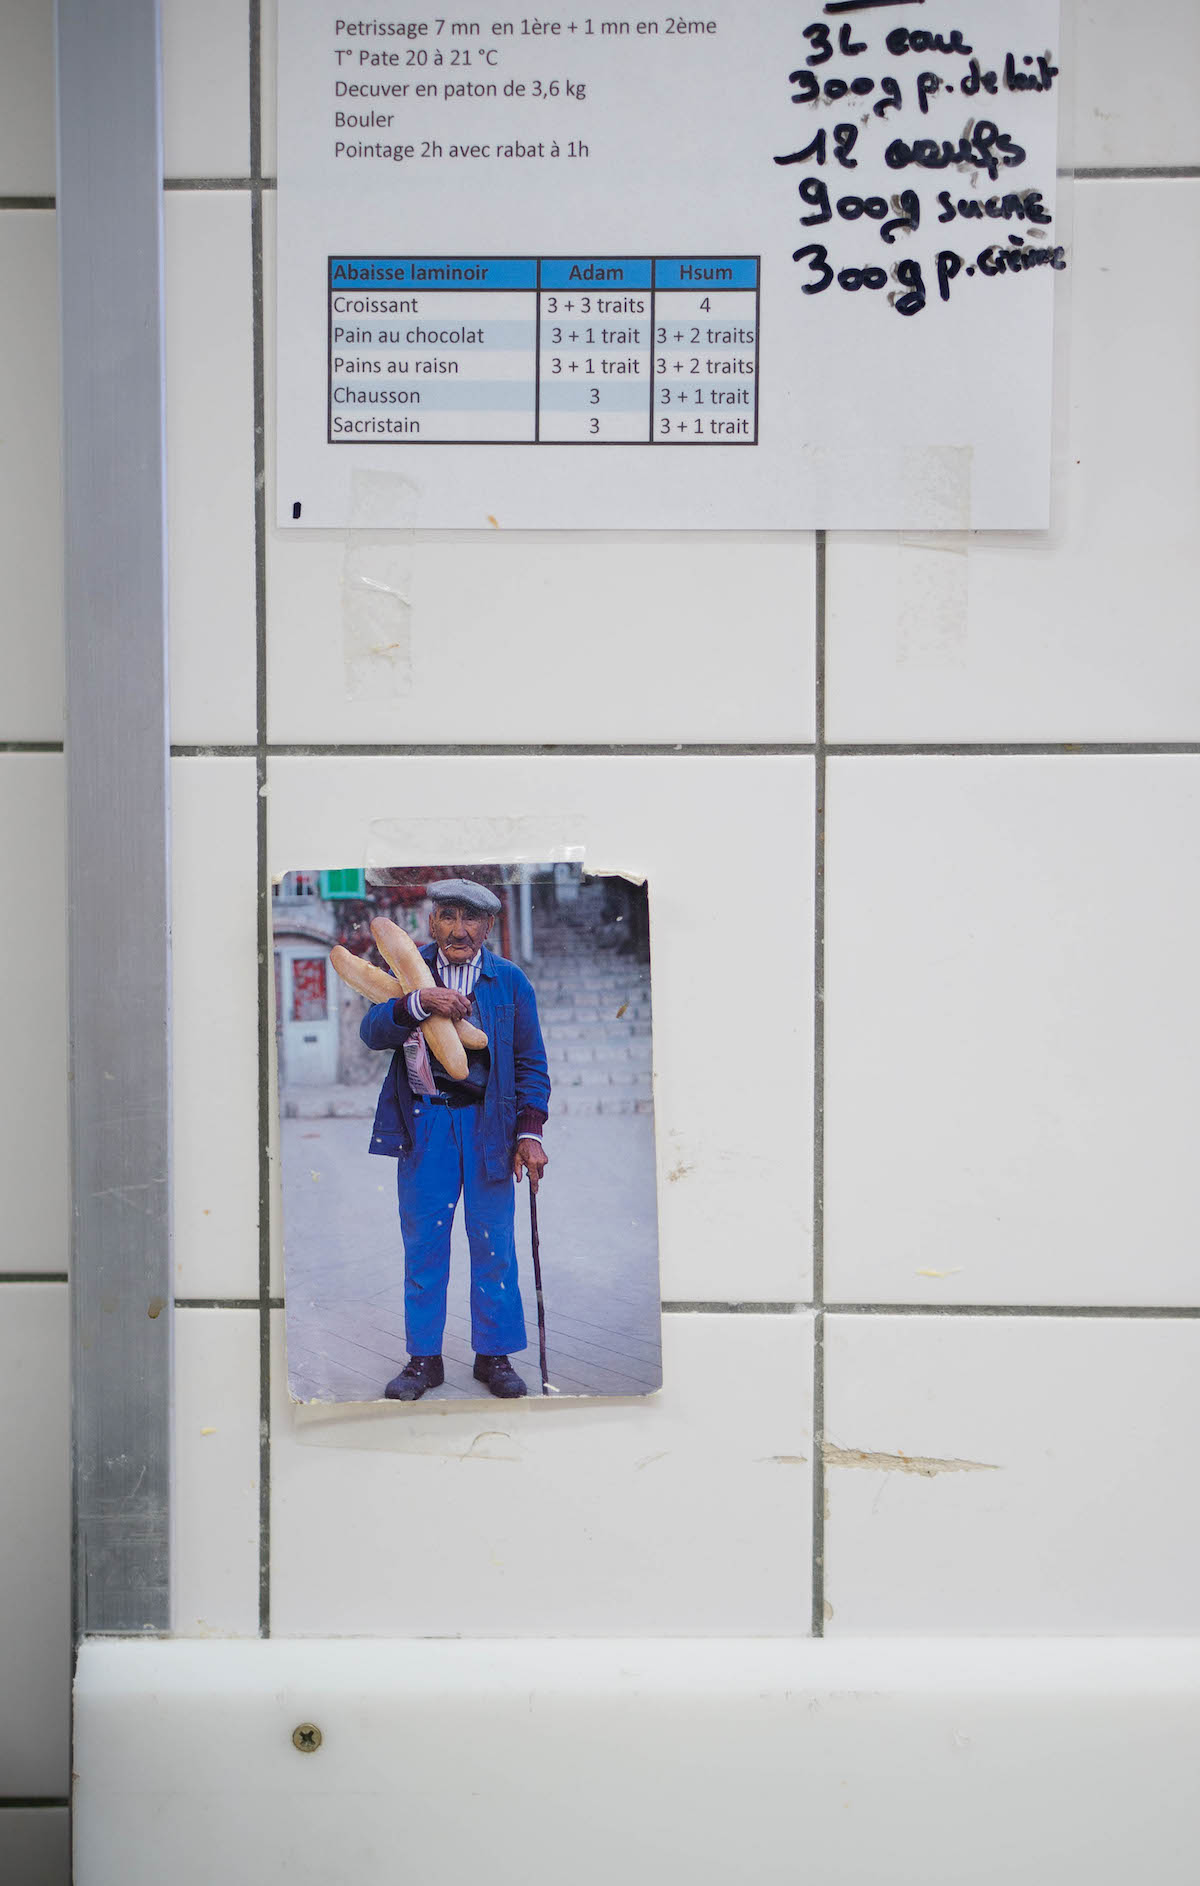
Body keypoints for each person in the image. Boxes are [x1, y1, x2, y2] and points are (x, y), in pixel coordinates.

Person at [360, 879, 550, 1400]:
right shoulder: (410, 970)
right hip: (427, 1123)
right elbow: (372, 1032)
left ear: (488, 926)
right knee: (424, 1244)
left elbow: (531, 1062)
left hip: (491, 1127)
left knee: (493, 1244)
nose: (459, 930)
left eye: (471, 919)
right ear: (431, 921)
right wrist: (416, 1003)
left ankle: (494, 1357)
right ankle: (424, 1360)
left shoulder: (509, 981)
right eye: (448, 916)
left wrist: (530, 1132)